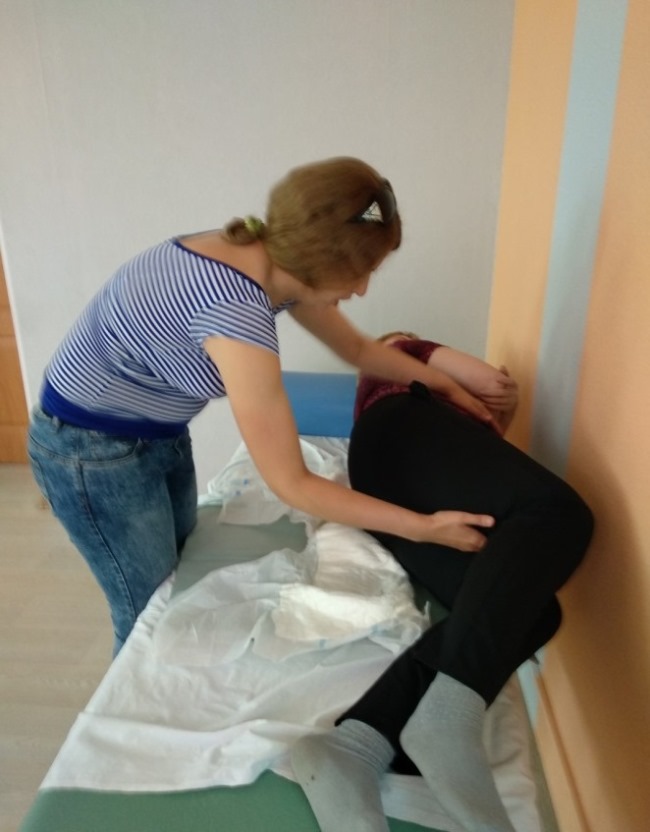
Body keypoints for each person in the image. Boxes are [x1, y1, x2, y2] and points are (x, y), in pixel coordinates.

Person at [27, 158, 499, 656]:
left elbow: (357, 348)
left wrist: (445, 385)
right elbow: (292, 484)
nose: (362, 289)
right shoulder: (235, 313)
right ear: (323, 262)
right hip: (90, 451)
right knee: (147, 612)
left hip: (156, 433)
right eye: (362, 273)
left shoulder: (266, 252)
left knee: (177, 573)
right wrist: (424, 528)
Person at [290, 332, 594, 832]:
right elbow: (492, 383)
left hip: (386, 485)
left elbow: (478, 450)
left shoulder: (432, 439)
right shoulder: (401, 351)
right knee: (557, 512)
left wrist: (488, 416)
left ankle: (356, 743)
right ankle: (446, 722)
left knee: (533, 611)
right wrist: (499, 394)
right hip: (398, 432)